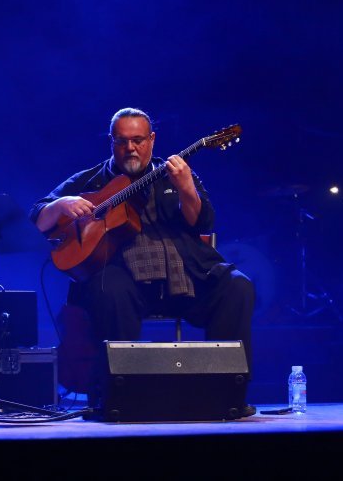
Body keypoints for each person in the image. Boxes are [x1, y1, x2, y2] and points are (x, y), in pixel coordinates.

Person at [29, 107, 256, 417]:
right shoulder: (91, 180)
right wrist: (61, 205)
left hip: (187, 274)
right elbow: (38, 217)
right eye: (121, 141)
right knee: (108, 289)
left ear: (152, 139)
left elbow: (202, 222)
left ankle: (227, 396)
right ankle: (116, 400)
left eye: (137, 140)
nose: (130, 148)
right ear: (111, 142)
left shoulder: (175, 172)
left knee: (238, 287)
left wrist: (186, 187)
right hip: (125, 280)